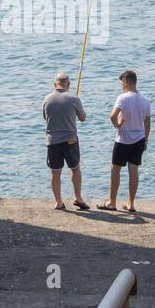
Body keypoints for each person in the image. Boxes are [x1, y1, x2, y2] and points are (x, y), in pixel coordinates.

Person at [99, 69, 151, 212]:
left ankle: (112, 202)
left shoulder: (123, 98)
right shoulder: (145, 100)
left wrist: (117, 125)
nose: (121, 85)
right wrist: (146, 140)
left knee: (115, 169)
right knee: (133, 170)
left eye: (122, 83)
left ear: (127, 82)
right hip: (139, 138)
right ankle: (131, 204)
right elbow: (147, 122)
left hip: (123, 139)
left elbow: (112, 116)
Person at [43, 72, 89, 211]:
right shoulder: (74, 98)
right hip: (70, 141)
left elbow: (46, 118)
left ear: (54, 84)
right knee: (75, 169)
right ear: (68, 84)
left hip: (53, 141)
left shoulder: (47, 99)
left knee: (55, 172)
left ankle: (58, 202)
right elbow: (82, 118)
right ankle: (78, 198)